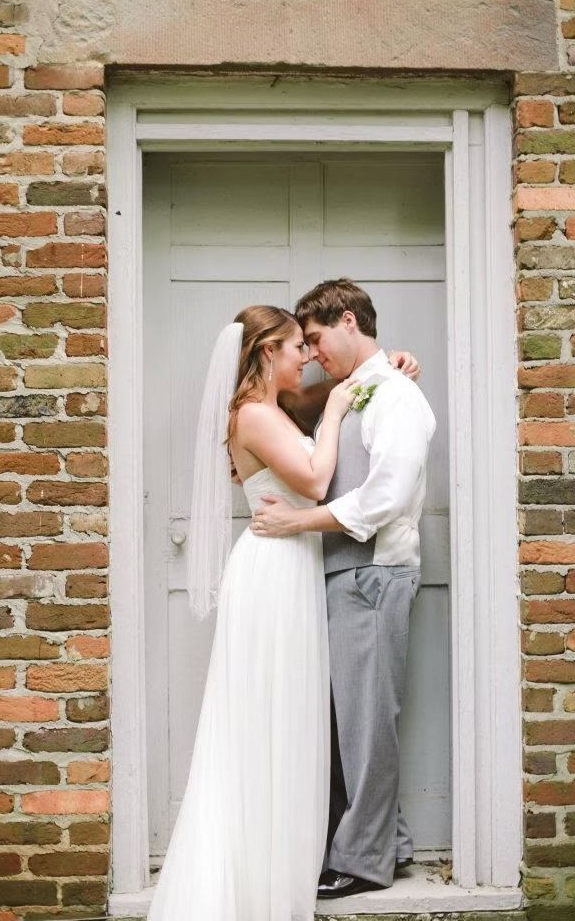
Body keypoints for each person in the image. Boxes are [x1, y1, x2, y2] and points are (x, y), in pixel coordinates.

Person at [147, 305, 359, 921]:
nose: (306, 356)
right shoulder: (255, 416)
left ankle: (274, 870)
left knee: (284, 715)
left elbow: (323, 393)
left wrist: (378, 373)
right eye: (297, 346)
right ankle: (249, 887)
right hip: (271, 574)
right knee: (265, 717)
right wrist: (340, 411)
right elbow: (317, 483)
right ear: (267, 351)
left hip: (289, 568)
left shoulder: (275, 409)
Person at [251, 280, 436, 899]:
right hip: (339, 576)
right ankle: (392, 844)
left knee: (366, 726)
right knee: (345, 727)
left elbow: (384, 497)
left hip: (374, 573)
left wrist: (298, 522)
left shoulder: (398, 397)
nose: (311, 353)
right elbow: (282, 406)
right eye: (300, 343)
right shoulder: (346, 394)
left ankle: (362, 862)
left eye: (317, 339)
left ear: (348, 321)